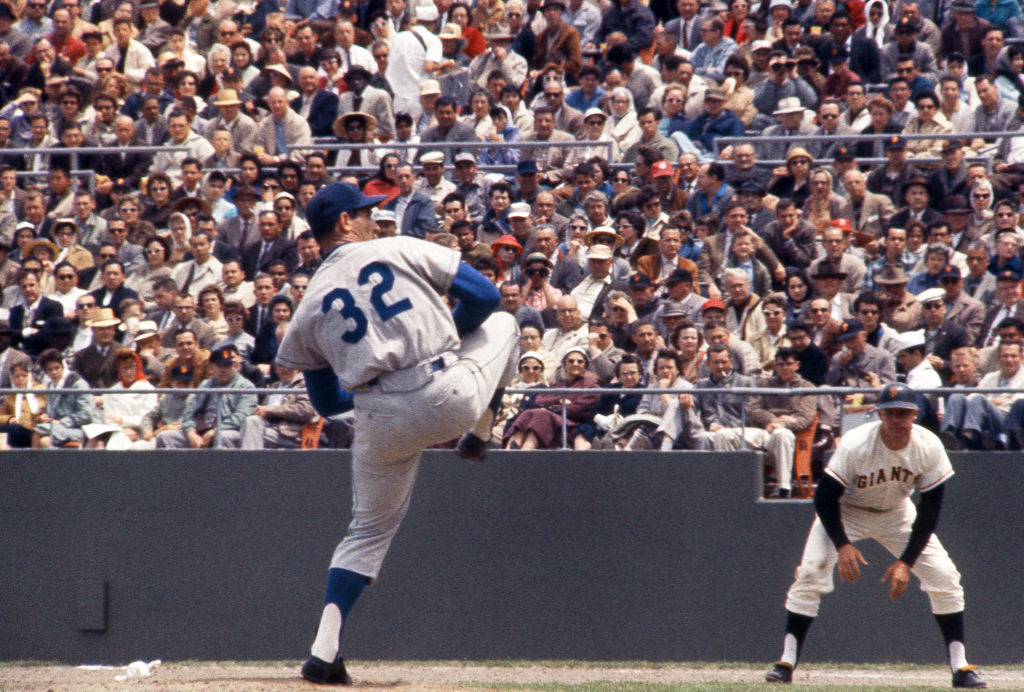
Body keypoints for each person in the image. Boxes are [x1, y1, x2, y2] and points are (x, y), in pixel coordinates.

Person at [274, 181, 519, 684]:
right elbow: (486, 296)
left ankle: (323, 654)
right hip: (446, 389)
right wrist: (449, 330)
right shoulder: (396, 245)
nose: (371, 219)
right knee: (506, 325)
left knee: (364, 532)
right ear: (343, 223)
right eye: (363, 213)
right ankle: (481, 433)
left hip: (378, 418)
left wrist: (377, 395)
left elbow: (325, 403)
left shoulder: (306, 308)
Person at [765, 383, 987, 691]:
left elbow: (930, 509)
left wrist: (906, 562)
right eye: (890, 413)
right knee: (811, 572)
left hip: (898, 513)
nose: (898, 420)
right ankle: (786, 662)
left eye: (904, 413)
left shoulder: (929, 445)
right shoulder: (857, 443)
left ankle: (960, 666)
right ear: (879, 414)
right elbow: (825, 498)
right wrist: (842, 545)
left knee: (945, 576)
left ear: (915, 414)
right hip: (847, 511)